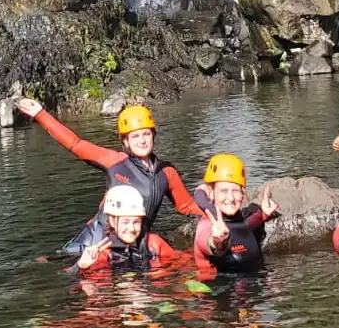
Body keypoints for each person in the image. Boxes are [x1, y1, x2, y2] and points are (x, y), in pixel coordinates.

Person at [17, 98, 202, 254]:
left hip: (133, 238)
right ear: (125, 141)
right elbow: (75, 143)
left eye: (146, 134)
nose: (142, 140)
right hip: (96, 237)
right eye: (135, 136)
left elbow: (186, 205)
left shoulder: (166, 172)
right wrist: (41, 114)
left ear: (154, 135)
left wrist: (216, 210)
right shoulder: (115, 161)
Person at [193, 154, 279, 279]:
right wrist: (218, 241)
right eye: (223, 191)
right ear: (212, 193)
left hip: (253, 295)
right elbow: (208, 243)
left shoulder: (241, 222)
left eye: (235, 191)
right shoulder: (207, 226)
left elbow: (245, 226)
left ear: (243, 194)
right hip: (216, 295)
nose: (231, 198)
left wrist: (264, 213)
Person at [74, 185, 180, 273]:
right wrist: (81, 267)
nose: (132, 228)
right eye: (125, 222)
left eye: (136, 222)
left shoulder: (153, 243)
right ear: (112, 221)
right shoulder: (103, 254)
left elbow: (180, 262)